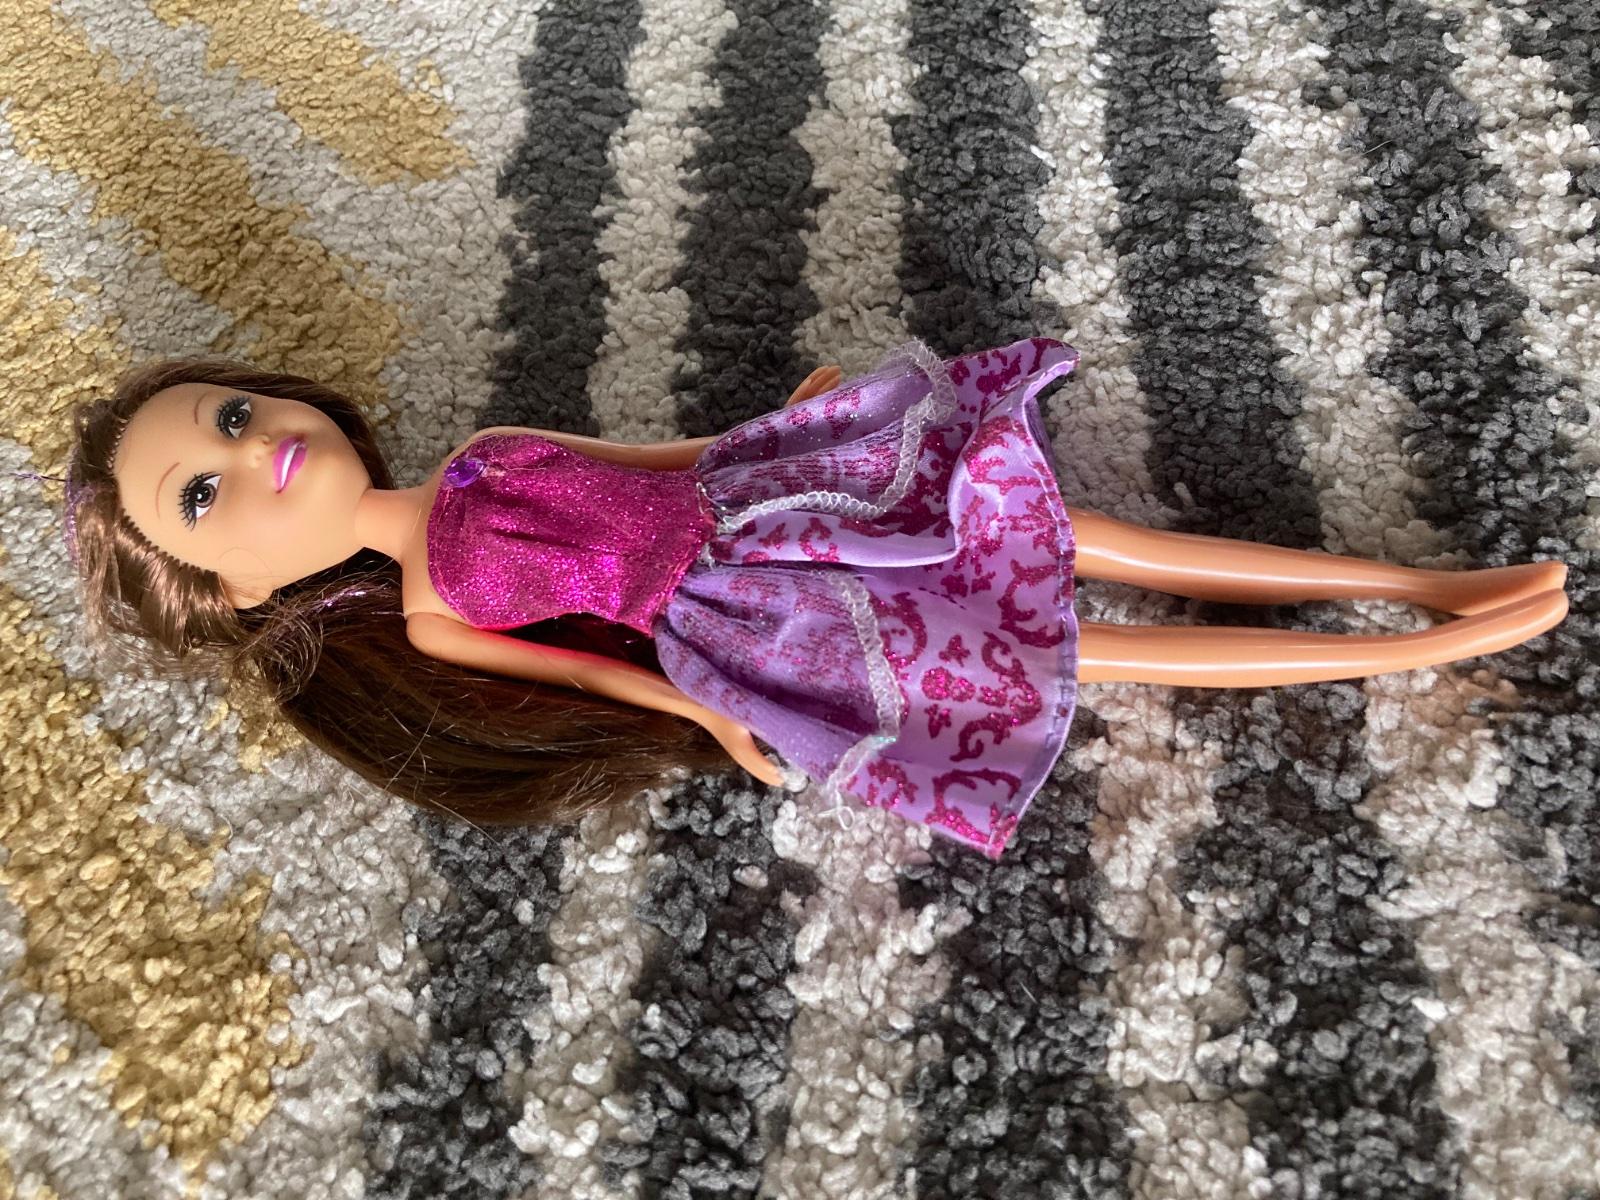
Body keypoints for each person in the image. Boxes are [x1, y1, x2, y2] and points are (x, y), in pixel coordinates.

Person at [66, 339, 1567, 857]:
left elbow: (659, 461)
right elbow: (595, 675)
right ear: (238, 590)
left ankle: (1417, 583)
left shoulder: (479, 454)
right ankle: (1392, 654)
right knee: (1065, 648)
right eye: (201, 495)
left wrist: (788, 424)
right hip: (745, 623)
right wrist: (712, 721)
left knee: (1069, 535)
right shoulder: (433, 616)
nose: (249, 448)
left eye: (229, 413)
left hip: (761, 507)